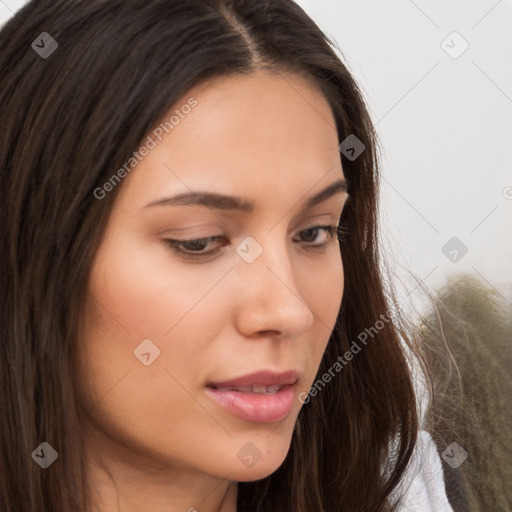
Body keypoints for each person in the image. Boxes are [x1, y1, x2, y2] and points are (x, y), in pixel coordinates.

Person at [0, 0, 455, 510]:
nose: (289, 311)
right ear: (30, 251)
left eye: (314, 233)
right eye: (198, 242)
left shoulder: (406, 490)